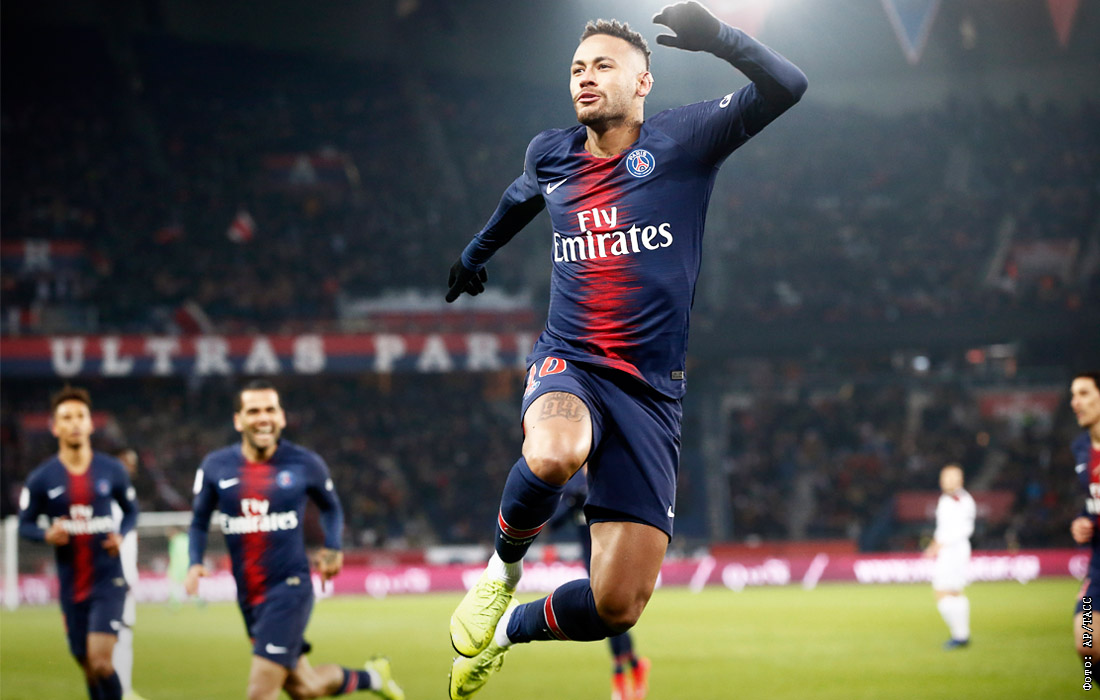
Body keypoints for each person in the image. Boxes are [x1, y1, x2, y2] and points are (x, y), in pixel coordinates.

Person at [444, 3, 806, 697]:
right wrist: (474, 254)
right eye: (577, 68)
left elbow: (789, 86)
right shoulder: (552, 151)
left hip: (651, 392)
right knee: (554, 453)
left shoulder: (685, 139)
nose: (585, 77)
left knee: (617, 606)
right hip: (571, 361)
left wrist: (721, 38)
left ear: (643, 82)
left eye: (603, 66)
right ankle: (500, 574)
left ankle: (507, 631)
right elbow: (521, 196)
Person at [185, 380, 404, 700]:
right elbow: (199, 521)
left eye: (270, 410)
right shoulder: (216, 467)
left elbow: (331, 507)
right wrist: (194, 562)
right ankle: (373, 677)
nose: (263, 418)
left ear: (282, 417)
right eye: (253, 411)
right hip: (249, 595)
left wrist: (333, 547)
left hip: (289, 589)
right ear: (238, 420)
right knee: (305, 687)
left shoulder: (305, 463)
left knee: (260, 693)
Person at [17, 386, 139, 700]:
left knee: (101, 662)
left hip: (108, 581)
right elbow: (24, 524)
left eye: (80, 416)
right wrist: (46, 534)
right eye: (66, 417)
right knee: (87, 665)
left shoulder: (112, 470)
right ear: (55, 427)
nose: (74, 423)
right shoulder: (42, 478)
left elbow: (131, 511)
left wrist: (122, 533)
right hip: (72, 585)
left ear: (90, 423)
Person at [548, 469, 650, 700]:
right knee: (609, 615)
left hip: (613, 555)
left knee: (608, 612)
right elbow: (554, 522)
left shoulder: (607, 473)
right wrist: (573, 503)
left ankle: (620, 676)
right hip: (591, 561)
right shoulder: (572, 481)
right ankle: (635, 666)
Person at [922, 463, 976, 649]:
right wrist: (935, 545)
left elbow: (963, 529)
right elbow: (943, 528)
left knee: (943, 591)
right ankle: (961, 635)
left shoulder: (962, 500)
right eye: (945, 477)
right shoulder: (946, 499)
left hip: (955, 549)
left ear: (960, 479)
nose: (948, 480)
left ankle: (960, 635)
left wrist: (939, 544)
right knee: (953, 592)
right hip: (948, 549)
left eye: (952, 477)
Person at [110, 447, 149, 700]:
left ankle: (123, 689)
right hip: (110, 577)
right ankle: (114, 689)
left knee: (125, 632)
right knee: (108, 636)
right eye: (125, 462)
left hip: (126, 576)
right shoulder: (105, 497)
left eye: (133, 464)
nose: (129, 468)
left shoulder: (127, 497)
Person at [1069, 371, 1100, 667]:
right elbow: (1092, 501)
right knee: (1087, 643)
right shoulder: (1080, 448)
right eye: (1073, 395)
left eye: (1084, 393)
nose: (1075, 402)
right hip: (1098, 567)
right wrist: (1083, 520)